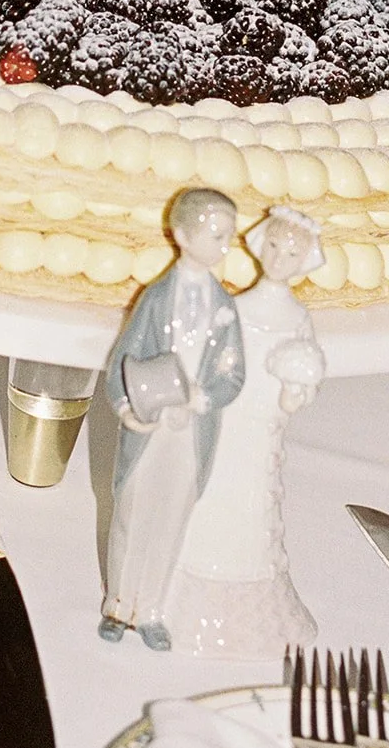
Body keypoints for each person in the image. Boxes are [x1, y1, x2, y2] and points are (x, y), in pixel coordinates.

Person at [165, 205, 326, 658]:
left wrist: (296, 391)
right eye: (273, 246)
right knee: (212, 489)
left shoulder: (297, 319)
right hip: (226, 416)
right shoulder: (236, 307)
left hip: (263, 427)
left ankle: (249, 601)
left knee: (252, 500)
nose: (279, 258)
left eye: (291, 252)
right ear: (259, 246)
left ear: (306, 259)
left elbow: (303, 376)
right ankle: (185, 587)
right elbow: (214, 357)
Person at [98, 188, 245, 651]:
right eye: (217, 235)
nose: (225, 246)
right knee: (132, 512)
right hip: (150, 425)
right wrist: (125, 407)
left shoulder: (225, 307)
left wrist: (206, 397)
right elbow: (123, 356)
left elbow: (233, 371)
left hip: (191, 430)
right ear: (182, 235)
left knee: (171, 516)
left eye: (229, 236)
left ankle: (153, 609)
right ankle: (119, 604)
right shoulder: (156, 298)